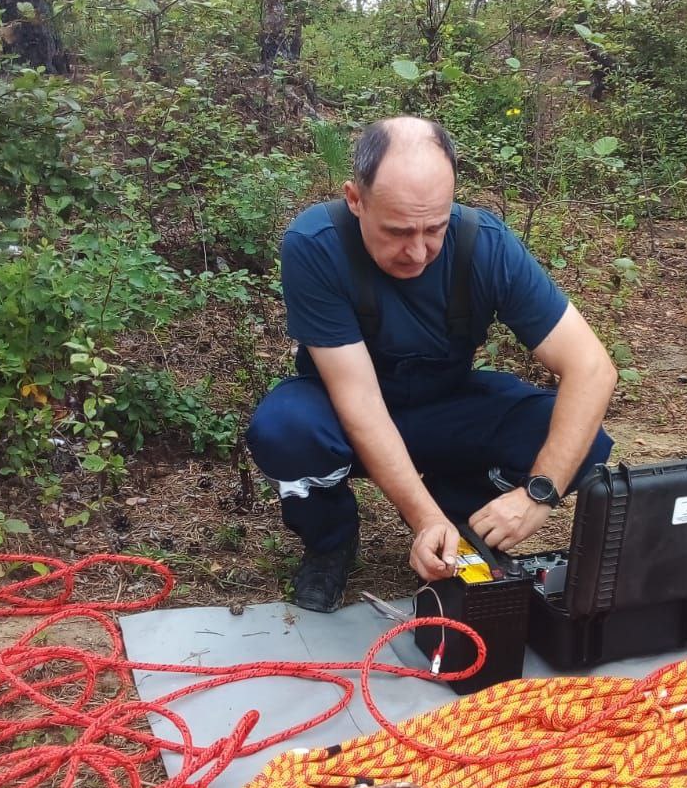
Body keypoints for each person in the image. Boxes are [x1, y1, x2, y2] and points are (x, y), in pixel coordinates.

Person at [246, 116, 616, 612]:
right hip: (343, 414)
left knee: (581, 438)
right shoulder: (316, 245)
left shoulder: (484, 244)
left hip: (444, 408)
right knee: (283, 429)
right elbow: (359, 403)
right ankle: (331, 542)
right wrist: (422, 518)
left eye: (434, 228)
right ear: (355, 199)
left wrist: (538, 493)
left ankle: (465, 522)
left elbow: (592, 368)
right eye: (398, 231)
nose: (418, 252)